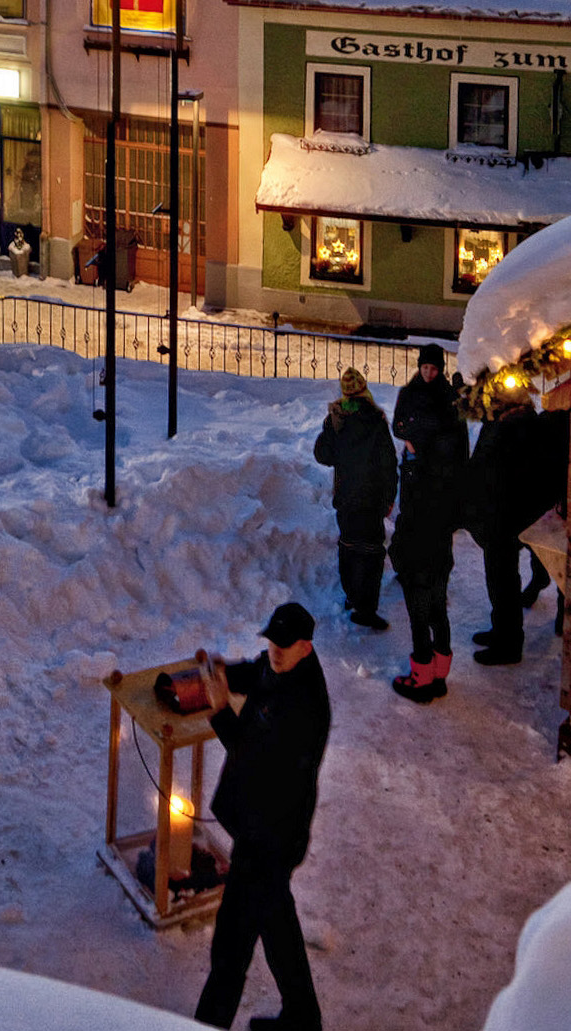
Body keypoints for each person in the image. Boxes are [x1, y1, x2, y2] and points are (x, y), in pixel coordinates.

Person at [193, 602, 332, 1030]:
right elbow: (256, 673)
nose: (274, 650)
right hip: (264, 829)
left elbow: (254, 756)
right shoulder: (282, 666)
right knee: (276, 924)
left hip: (269, 838)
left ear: (306, 648)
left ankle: (206, 1024)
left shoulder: (304, 707)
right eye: (272, 641)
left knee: (231, 946)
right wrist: (223, 672)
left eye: (284, 646)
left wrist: (219, 709)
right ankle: (303, 1019)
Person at [472, 380, 565, 667]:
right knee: (501, 580)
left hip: (506, 517)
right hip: (501, 516)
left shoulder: (522, 427)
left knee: (502, 581)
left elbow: (520, 473)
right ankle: (502, 632)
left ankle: (509, 644)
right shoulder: (505, 422)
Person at [393, 400, 470, 701]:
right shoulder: (445, 467)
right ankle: (439, 675)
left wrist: (399, 554)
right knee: (439, 612)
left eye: (409, 437)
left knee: (419, 617)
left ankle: (421, 679)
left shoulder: (418, 471)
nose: (406, 442)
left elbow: (410, 516)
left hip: (419, 556)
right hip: (440, 554)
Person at [315, 369, 399, 632]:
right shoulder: (376, 419)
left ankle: (352, 596)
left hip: (347, 498)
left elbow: (322, 455)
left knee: (349, 547)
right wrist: (389, 497)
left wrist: (330, 427)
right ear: (365, 390)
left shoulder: (337, 419)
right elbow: (389, 463)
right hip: (372, 500)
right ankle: (366, 609)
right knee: (372, 553)